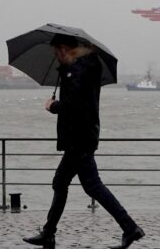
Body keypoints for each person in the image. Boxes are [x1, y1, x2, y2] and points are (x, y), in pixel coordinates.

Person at [23, 34, 144, 249]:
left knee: (93, 186)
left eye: (56, 52)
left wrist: (53, 106)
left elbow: (74, 107)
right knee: (60, 183)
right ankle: (48, 233)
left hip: (78, 138)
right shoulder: (82, 68)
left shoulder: (77, 71)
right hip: (81, 137)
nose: (56, 57)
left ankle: (130, 227)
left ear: (64, 49)